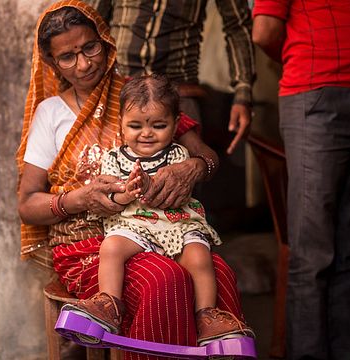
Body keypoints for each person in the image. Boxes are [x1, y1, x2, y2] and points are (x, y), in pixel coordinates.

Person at [17, 1, 247, 355]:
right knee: (162, 280)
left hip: (162, 230)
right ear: (52, 62)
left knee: (218, 270)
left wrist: (194, 167)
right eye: (67, 57)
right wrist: (80, 198)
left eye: (90, 47)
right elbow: (28, 204)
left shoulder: (141, 99)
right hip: (88, 247)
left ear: (106, 42)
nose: (84, 63)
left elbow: (208, 157)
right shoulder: (50, 114)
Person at [62, 74, 254, 345]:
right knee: (112, 248)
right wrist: (124, 193)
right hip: (134, 224)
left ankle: (207, 316)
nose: (146, 133)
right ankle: (108, 304)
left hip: (176, 223)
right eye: (135, 125)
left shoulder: (178, 156)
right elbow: (109, 199)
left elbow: (175, 193)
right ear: (121, 125)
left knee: (200, 256)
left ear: (175, 124)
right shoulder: (114, 159)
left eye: (159, 125)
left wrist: (153, 185)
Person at [252, 1, 350, 359]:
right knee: (313, 252)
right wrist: (309, 56)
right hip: (316, 95)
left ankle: (344, 353)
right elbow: (264, 31)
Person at [86, 0, 256, 155]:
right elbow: (89, 19)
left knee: (185, 172)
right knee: (110, 173)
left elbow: (237, 25)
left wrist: (243, 94)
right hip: (117, 88)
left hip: (179, 93)